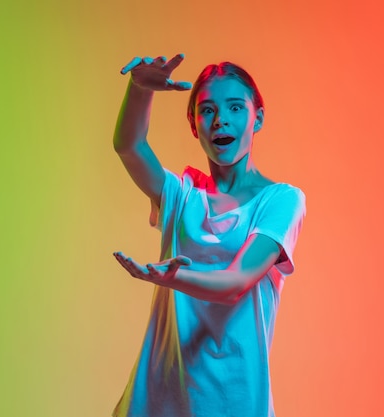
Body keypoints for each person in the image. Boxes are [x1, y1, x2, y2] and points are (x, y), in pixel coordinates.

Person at [111, 53, 306, 417]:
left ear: (257, 118)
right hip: (154, 403)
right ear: (193, 124)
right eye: (207, 110)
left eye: (235, 107)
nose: (221, 121)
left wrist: (175, 277)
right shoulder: (181, 195)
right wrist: (139, 89)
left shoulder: (281, 201)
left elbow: (237, 281)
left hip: (235, 403)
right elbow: (129, 146)